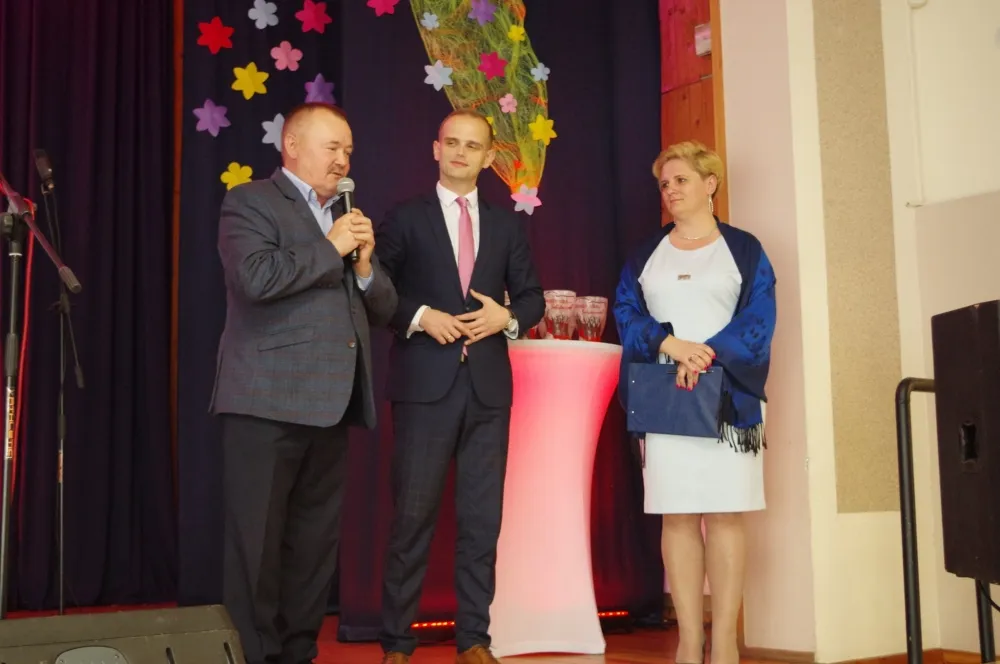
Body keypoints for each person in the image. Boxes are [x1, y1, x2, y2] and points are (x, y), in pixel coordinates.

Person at [211, 102, 397, 664]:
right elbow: (255, 278)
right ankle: (253, 655)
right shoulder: (251, 201)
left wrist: (363, 266)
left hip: (332, 404)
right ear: (291, 145)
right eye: (331, 147)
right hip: (265, 402)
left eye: (348, 151)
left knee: (313, 548)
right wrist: (332, 248)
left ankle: (298, 654)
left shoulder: (345, 217)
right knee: (257, 547)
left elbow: (384, 309)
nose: (343, 161)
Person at [374, 109, 545, 664]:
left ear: (489, 157)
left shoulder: (506, 226)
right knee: (411, 519)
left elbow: (533, 297)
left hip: (488, 391)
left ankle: (474, 639)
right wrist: (421, 316)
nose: (460, 153)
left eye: (473, 146)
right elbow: (374, 289)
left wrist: (506, 318)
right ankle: (398, 643)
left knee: (481, 522)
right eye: (452, 142)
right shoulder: (405, 218)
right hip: (424, 388)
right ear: (436, 148)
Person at [613, 141, 776, 664]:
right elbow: (626, 312)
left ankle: (724, 642)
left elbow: (758, 320)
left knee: (726, 514)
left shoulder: (744, 250)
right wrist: (672, 345)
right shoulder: (646, 254)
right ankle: (689, 641)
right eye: (664, 184)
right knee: (678, 516)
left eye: (681, 180)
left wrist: (703, 355)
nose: (670, 191)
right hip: (668, 400)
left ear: (710, 184)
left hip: (730, 401)